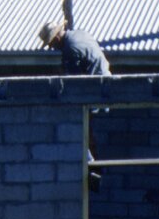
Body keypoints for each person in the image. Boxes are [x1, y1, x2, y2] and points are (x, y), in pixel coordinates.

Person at [40, 21, 109, 191]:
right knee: (88, 130)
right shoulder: (80, 33)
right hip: (105, 84)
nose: (52, 48)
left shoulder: (70, 50)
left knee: (82, 127)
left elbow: (73, 84)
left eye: (51, 44)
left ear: (56, 37)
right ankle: (94, 168)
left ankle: (93, 168)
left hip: (95, 89)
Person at [39, 21, 110, 76]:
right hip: (106, 76)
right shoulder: (82, 33)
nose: (52, 48)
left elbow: (73, 79)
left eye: (51, 44)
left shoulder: (70, 48)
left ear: (57, 39)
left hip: (95, 85)